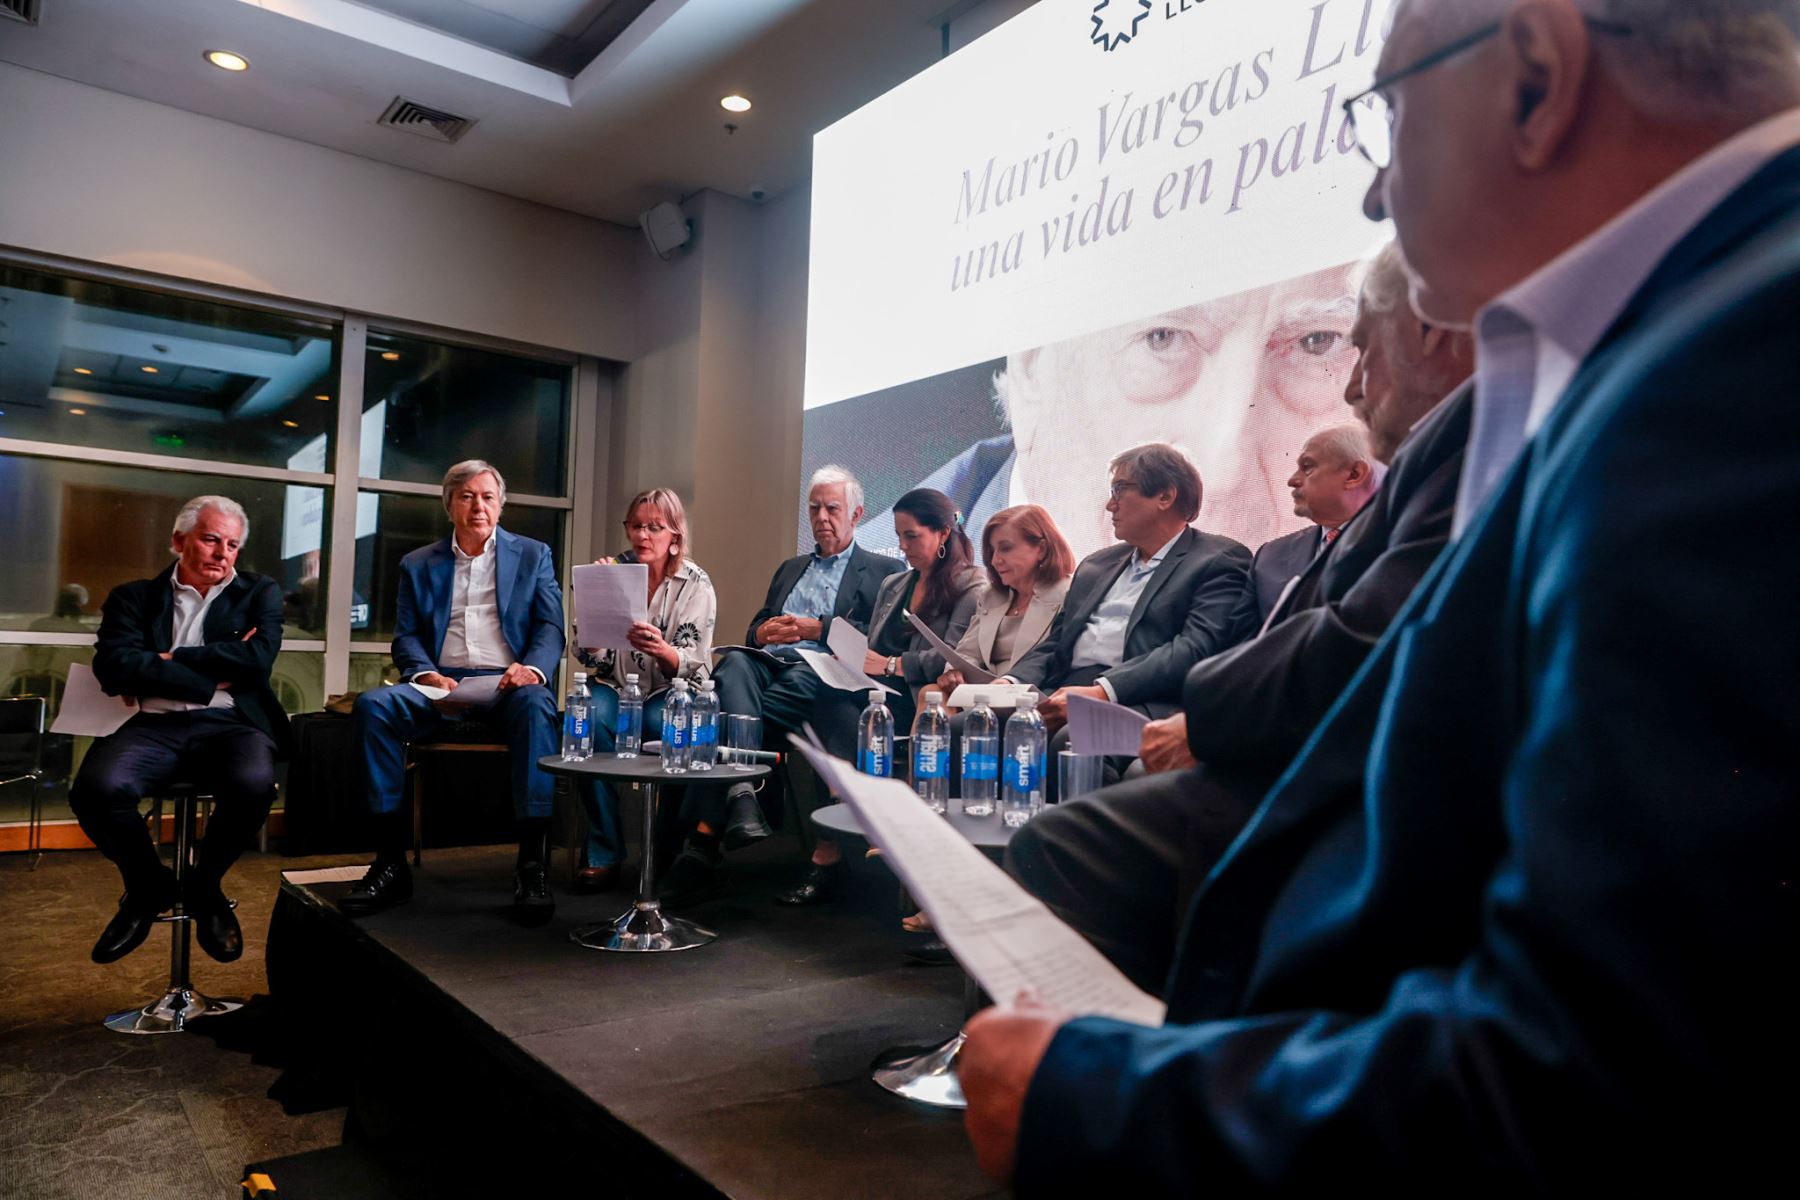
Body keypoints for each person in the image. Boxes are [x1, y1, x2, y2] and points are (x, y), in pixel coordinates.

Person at [964, 1, 1800, 1190]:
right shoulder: (1688, 342)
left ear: (1536, 75)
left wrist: (1097, 1105)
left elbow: (1600, 1081)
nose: (1370, 194)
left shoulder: (1731, 368)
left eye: (1388, 112)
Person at [1005, 241, 1476, 995]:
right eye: (1164, 339)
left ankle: (1111, 1065)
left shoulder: (1456, 458)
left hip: (1343, 767)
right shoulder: (1106, 564)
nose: (1353, 387)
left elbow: (1345, 638)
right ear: (1030, 368)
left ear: (1438, 336)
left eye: (1336, 346)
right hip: (1283, 734)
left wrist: (1206, 717)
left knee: (1061, 843)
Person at [860, 265, 1364, 562]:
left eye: (1317, 342)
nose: (1222, 467)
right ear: (1034, 367)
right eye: (1162, 339)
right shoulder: (868, 573)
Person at [342, 460, 566, 923]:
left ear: (501, 505)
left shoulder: (533, 554)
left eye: (487, 496)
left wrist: (532, 671)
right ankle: (388, 863)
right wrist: (423, 674)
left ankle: (532, 863)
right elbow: (405, 636)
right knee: (373, 707)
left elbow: (550, 625)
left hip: (509, 683)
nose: (477, 505)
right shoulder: (418, 564)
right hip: (440, 683)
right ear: (450, 506)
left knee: (537, 706)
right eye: (466, 496)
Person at [71, 496, 286, 965]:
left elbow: (256, 662)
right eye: (211, 539)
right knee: (96, 788)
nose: (222, 553)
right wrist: (214, 665)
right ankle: (148, 888)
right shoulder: (134, 597)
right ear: (178, 540)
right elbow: (113, 667)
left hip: (231, 723)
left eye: (232, 544)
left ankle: (204, 887)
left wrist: (165, 660)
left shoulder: (259, 592)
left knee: (253, 784)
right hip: (151, 724)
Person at [696, 466, 907, 899]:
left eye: (832, 508)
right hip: (766, 668)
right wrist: (761, 634)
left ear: (857, 514)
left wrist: (818, 628)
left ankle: (716, 819)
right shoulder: (791, 567)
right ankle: (739, 789)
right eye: (814, 508)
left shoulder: (884, 569)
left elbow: (876, 638)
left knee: (713, 719)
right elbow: (758, 623)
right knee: (734, 661)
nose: (822, 516)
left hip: (820, 672)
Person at [1002, 444, 1251, 794]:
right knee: (966, 726)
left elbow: (1195, 647)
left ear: (1164, 496)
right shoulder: (1097, 565)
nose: (1110, 504)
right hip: (1065, 687)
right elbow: (1058, 641)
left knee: (1077, 740)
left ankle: (1079, 847)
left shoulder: (1219, 559)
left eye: (1120, 489)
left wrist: (1103, 692)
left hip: (1142, 696)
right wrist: (1011, 683)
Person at [777, 488, 983, 906]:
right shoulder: (895, 582)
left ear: (943, 533)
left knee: (844, 709)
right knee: (827, 691)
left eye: (912, 537)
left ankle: (845, 826)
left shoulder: (970, 583)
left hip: (917, 697)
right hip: (873, 689)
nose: (903, 548)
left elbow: (955, 658)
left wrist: (889, 666)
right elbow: (871, 643)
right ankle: (853, 803)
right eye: (899, 537)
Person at [570, 487, 716, 894]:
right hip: (616, 686)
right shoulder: (611, 571)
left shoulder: (695, 583)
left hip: (671, 691)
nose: (643, 535)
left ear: (675, 536)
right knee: (586, 719)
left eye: (655, 527)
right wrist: (598, 608)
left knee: (671, 726)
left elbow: (696, 662)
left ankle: (665, 851)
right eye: (636, 526)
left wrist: (663, 650)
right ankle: (605, 849)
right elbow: (586, 654)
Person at [1236, 423, 1384, 629]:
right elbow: (1240, 648)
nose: (1292, 480)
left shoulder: (1401, 543)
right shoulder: (1269, 557)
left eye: (1307, 467)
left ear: (1354, 474)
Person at [937, 505, 1075, 691]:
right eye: (992, 551)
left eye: (1006, 549)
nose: (995, 560)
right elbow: (966, 654)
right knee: (930, 693)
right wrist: (954, 672)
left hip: (1031, 696)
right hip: (983, 695)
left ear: (1041, 549)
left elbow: (1054, 664)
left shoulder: (1070, 594)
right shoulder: (991, 596)